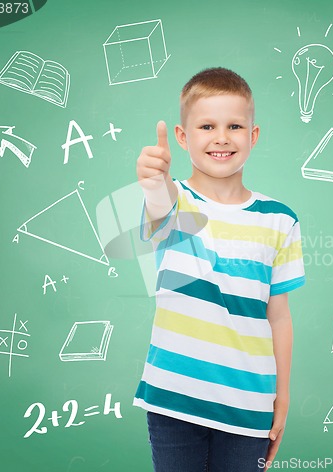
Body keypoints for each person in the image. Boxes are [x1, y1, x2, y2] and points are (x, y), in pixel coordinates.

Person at [133, 67, 305, 471]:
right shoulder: (176, 204)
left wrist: (283, 396)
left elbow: (278, 316)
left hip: (250, 404)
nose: (222, 137)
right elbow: (159, 201)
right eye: (207, 126)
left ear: (253, 135)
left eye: (234, 126)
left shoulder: (281, 219)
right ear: (182, 136)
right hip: (174, 399)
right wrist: (152, 181)